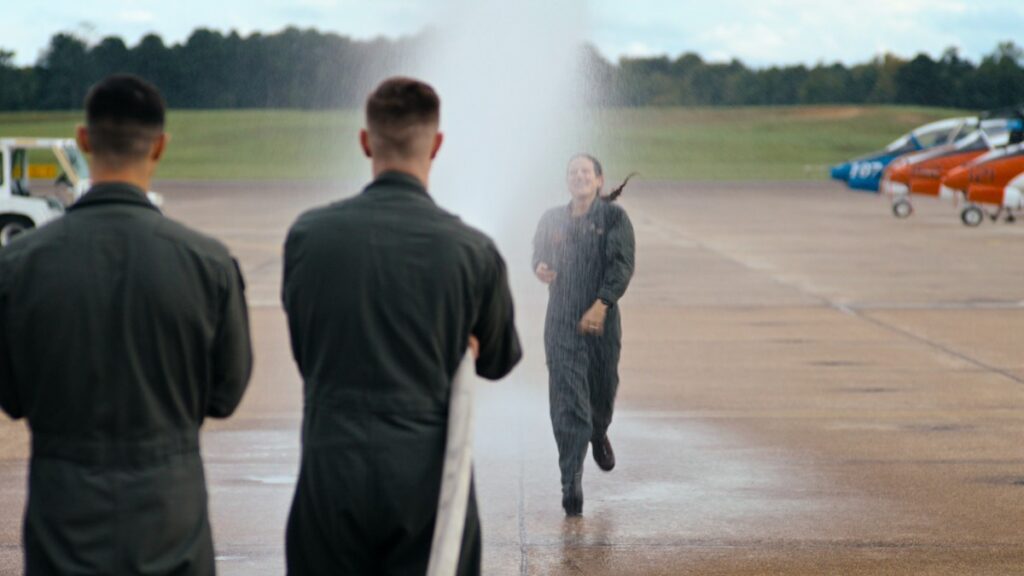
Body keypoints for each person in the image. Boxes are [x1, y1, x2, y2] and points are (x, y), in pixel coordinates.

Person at [0, 74, 253, 575]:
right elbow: (226, 393)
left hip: (63, 508)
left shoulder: (19, 264)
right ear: (160, 145)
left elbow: (12, 394)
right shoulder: (208, 263)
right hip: (169, 509)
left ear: (84, 139)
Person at [282, 77, 522, 575]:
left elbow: (305, 348)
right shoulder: (471, 250)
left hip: (331, 464)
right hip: (427, 476)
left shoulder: (308, 236)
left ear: (366, 141)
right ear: (436, 145)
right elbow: (499, 360)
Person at [532, 154, 636, 516]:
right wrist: (541, 267)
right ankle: (570, 479)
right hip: (561, 321)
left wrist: (602, 303)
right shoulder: (551, 219)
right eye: (573, 172)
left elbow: (621, 264)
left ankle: (599, 431)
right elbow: (540, 257)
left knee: (602, 390)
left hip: (602, 323)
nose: (579, 177)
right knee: (568, 400)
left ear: (598, 180)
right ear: (567, 181)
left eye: (585, 172)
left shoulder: (614, 219)